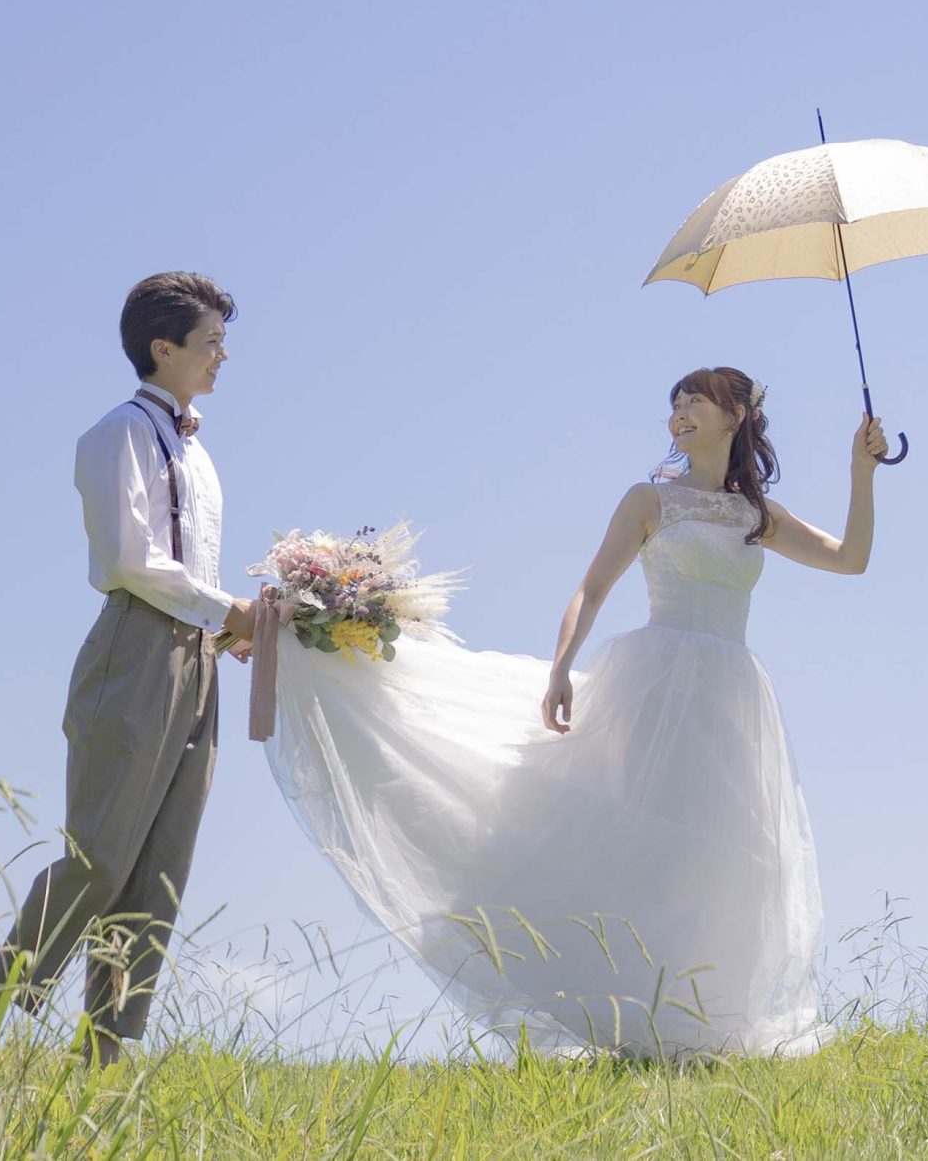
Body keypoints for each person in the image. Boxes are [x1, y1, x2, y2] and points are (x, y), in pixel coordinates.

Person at [259, 365, 882, 1057]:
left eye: (696, 399)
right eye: (674, 401)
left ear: (736, 414)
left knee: (722, 853)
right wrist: (560, 666)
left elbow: (850, 558)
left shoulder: (753, 514)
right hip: (658, 679)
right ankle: (632, 1015)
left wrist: (862, 470)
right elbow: (591, 587)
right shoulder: (650, 499)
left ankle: (696, 1024)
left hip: (731, 692)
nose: (680, 410)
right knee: (649, 840)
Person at [0, 273, 258, 1069]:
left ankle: (106, 1057)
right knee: (101, 856)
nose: (224, 354)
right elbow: (128, 559)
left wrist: (230, 629)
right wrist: (227, 610)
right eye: (211, 340)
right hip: (135, 647)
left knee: (160, 863)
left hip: (196, 657)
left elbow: (191, 567)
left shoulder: (200, 453)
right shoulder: (115, 434)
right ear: (164, 347)